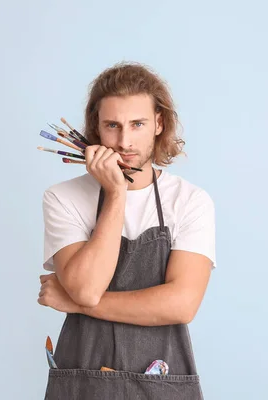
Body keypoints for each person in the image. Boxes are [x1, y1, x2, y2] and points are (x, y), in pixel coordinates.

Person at [38, 62, 216, 399]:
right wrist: (117, 192)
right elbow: (87, 288)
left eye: (137, 124)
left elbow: (181, 305)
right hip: (84, 385)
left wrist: (75, 304)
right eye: (112, 126)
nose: (124, 141)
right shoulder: (63, 198)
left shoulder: (190, 201)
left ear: (159, 124)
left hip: (162, 384)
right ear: (97, 129)